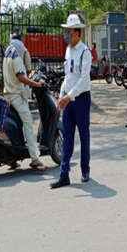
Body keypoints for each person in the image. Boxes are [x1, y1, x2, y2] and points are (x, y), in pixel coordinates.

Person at [51, 13, 92, 189]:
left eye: (69, 32)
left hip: (81, 99)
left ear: (78, 33)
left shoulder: (85, 52)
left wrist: (69, 96)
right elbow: (68, 76)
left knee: (83, 136)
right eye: (66, 32)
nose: (66, 35)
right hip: (68, 99)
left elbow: (84, 79)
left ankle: (85, 169)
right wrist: (62, 94)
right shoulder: (68, 50)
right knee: (67, 136)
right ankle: (64, 175)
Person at [3, 37, 46, 170]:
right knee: (28, 123)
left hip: (7, 95)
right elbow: (22, 77)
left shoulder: (7, 54)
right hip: (16, 96)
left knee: (17, 124)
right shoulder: (17, 57)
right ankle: (35, 158)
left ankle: (12, 158)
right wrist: (37, 84)